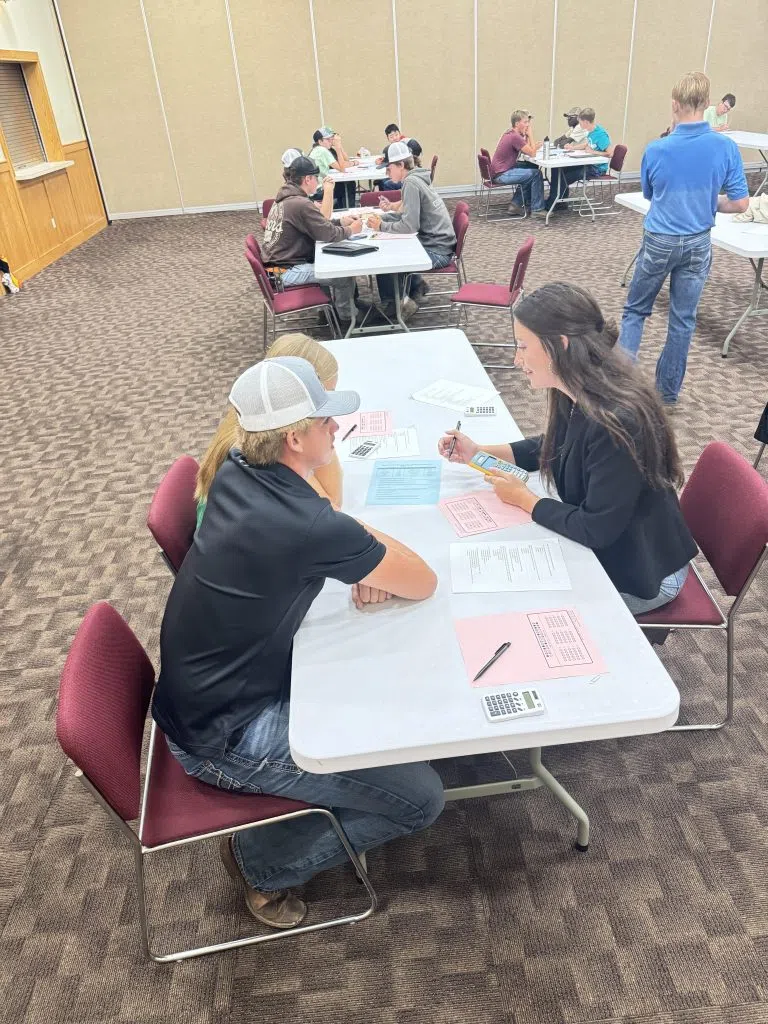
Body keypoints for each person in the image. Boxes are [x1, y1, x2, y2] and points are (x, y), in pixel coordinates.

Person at [153, 356, 443, 928]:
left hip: (206, 697)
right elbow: (423, 580)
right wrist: (356, 550)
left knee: (387, 699)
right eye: (326, 420)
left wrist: (351, 553)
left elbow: (326, 519)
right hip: (224, 738)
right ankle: (261, 864)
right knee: (422, 798)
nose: (336, 428)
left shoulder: (237, 468)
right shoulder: (307, 525)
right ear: (292, 438)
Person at [439, 282, 698, 615]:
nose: (517, 359)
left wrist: (525, 499)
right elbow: (553, 445)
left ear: (560, 345)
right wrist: (478, 453)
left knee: (516, 606)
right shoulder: (578, 386)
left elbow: (595, 529)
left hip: (646, 575)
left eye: (523, 346)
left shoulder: (616, 425)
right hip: (622, 546)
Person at [619, 72, 749, 404]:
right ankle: (667, 393)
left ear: (675, 105)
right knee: (682, 320)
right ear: (707, 104)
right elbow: (739, 203)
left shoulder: (657, 149)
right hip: (697, 243)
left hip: (660, 239)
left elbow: (651, 194)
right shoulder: (725, 147)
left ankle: (618, 389)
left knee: (635, 312)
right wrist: (709, 201)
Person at [195, 335, 343, 529]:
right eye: (324, 400)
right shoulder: (268, 451)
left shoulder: (252, 419)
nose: (329, 410)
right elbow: (332, 509)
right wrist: (323, 434)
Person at [262, 155, 363, 330]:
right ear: (307, 179)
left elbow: (316, 225)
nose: (318, 181)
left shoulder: (286, 199)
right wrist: (351, 230)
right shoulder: (300, 203)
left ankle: (331, 311)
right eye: (316, 177)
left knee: (332, 266)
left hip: (277, 268)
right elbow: (327, 234)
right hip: (284, 272)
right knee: (342, 275)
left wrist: (341, 222)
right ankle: (348, 319)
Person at [366, 140, 457, 319]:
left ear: (401, 165)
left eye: (389, 168)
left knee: (384, 256)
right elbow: (408, 216)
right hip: (439, 244)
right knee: (393, 246)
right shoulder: (417, 178)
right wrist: (383, 219)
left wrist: (381, 226)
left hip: (437, 251)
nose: (387, 173)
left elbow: (409, 226)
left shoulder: (411, 183)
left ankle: (397, 304)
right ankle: (413, 288)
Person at [544, 107, 611, 212]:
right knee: (557, 169)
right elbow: (586, 144)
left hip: (597, 168)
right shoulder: (591, 131)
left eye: (580, 122)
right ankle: (560, 203)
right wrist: (573, 147)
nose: (579, 125)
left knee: (563, 177)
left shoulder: (601, 134)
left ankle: (552, 204)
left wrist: (593, 152)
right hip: (588, 164)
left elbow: (610, 153)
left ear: (586, 122)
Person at [489, 110, 546, 217]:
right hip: (502, 174)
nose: (528, 125)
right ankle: (537, 209)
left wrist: (528, 139)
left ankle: (516, 204)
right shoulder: (515, 137)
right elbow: (532, 153)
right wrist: (530, 134)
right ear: (516, 124)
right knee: (536, 174)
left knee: (531, 166)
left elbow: (527, 149)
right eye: (525, 122)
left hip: (500, 171)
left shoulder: (511, 133)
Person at [308, 127, 355, 208]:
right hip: (318, 190)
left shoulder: (317, 150)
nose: (331, 141)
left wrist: (339, 146)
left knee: (342, 185)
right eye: (328, 139)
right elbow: (342, 168)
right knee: (349, 185)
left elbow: (344, 162)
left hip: (314, 188)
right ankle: (348, 210)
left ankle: (341, 208)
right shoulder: (322, 151)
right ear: (320, 141)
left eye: (331, 139)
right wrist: (338, 147)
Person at [375, 123, 406, 191]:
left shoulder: (405, 147)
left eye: (396, 135)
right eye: (391, 137)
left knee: (386, 183)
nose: (395, 138)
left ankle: (392, 197)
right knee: (379, 181)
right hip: (396, 174)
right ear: (388, 138)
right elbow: (385, 161)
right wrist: (380, 161)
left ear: (400, 134)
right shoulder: (388, 149)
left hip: (404, 177)